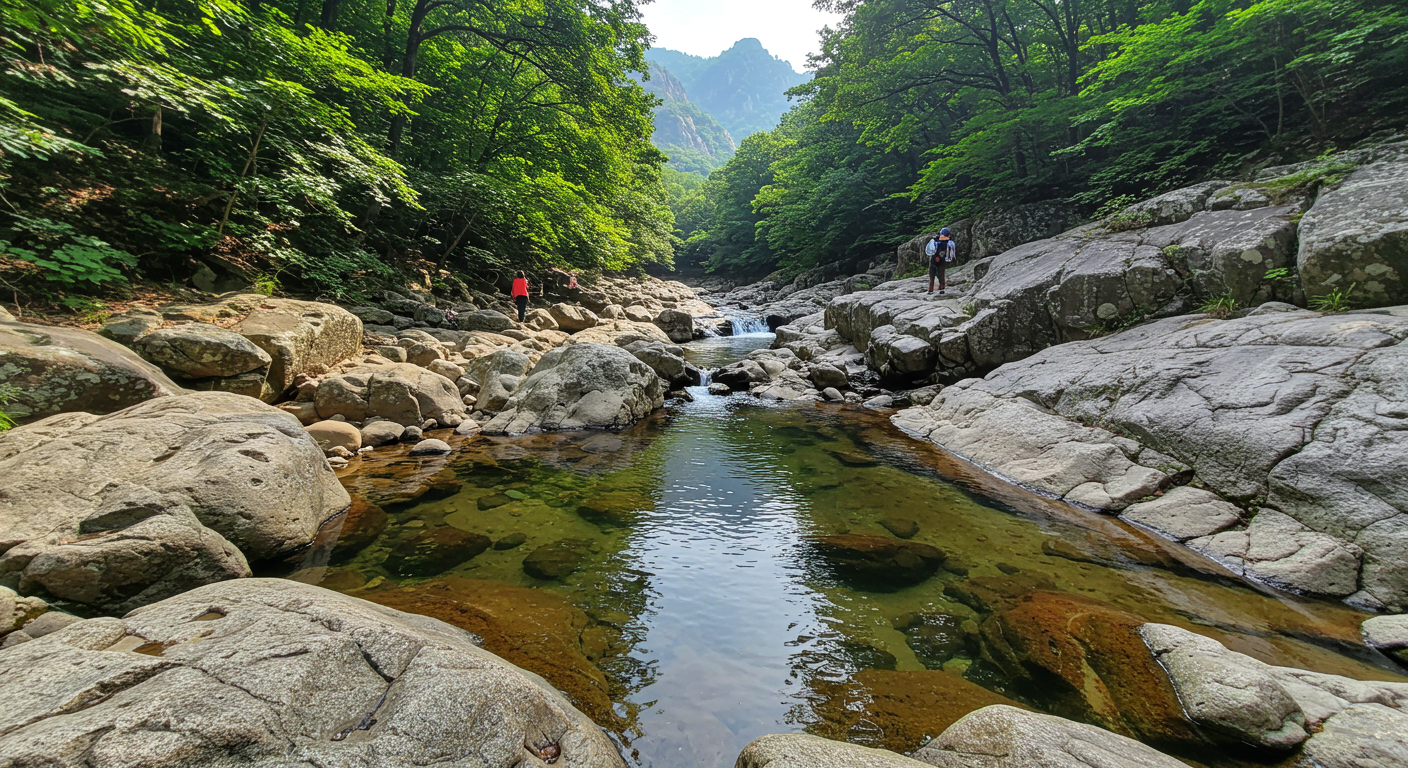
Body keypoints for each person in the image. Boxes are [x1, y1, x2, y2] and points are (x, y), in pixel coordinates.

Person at [927, 227, 957, 294]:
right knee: (936, 275)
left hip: (938, 260)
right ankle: (934, 289)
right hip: (937, 260)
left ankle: (937, 289)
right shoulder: (937, 241)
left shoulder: (946, 242)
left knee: (938, 275)